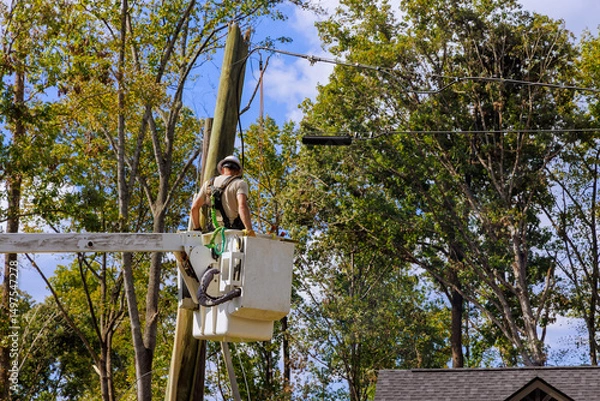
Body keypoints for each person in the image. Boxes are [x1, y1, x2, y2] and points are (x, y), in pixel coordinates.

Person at [190, 155, 255, 236]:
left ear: (222, 169)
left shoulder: (208, 184)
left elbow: (194, 208)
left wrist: (197, 229)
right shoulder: (240, 183)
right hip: (233, 234)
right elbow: (242, 206)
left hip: (213, 234)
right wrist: (249, 230)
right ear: (238, 171)